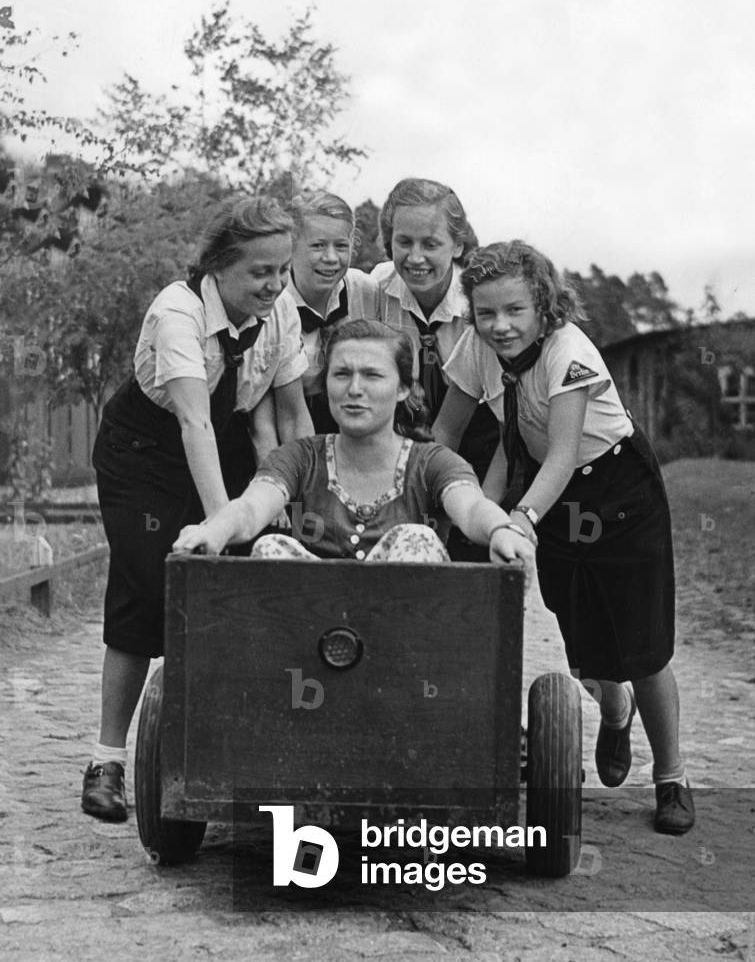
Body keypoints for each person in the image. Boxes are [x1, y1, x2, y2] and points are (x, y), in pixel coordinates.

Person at [433, 240, 694, 835]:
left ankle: (672, 780)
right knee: (585, 646)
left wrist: (516, 520)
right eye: (485, 313)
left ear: (545, 306)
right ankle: (613, 705)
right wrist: (426, 496)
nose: (499, 326)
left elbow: (564, 453)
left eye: (514, 311)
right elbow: (446, 434)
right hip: (551, 495)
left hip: (616, 490)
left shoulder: (570, 351)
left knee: (643, 645)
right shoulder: (478, 348)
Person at [81, 195, 312, 823]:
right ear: (219, 266)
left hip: (227, 442)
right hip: (147, 451)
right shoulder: (178, 310)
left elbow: (290, 414)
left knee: (246, 589)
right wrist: (220, 527)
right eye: (258, 272)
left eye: (282, 269)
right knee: (145, 585)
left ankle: (229, 746)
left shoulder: (282, 311)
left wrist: (304, 497)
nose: (274, 284)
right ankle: (107, 762)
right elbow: (191, 421)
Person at [173, 320, 536, 591]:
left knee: (417, 540)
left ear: (403, 388)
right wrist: (215, 530)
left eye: (373, 375)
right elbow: (253, 507)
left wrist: (501, 530)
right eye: (342, 374)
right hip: (308, 640)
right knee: (271, 546)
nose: (355, 390)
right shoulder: (300, 458)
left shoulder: (432, 462)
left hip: (407, 646)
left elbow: (471, 507)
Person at [370, 178, 498, 482]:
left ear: (457, 246)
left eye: (430, 244)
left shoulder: (478, 303)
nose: (415, 258)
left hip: (480, 434)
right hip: (402, 431)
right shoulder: (376, 287)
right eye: (404, 242)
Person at [278, 190, 377, 432]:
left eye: (341, 246)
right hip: (291, 416)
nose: (331, 258)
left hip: (355, 417)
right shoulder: (275, 305)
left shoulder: (365, 290)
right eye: (318, 246)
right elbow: (283, 412)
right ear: (291, 247)